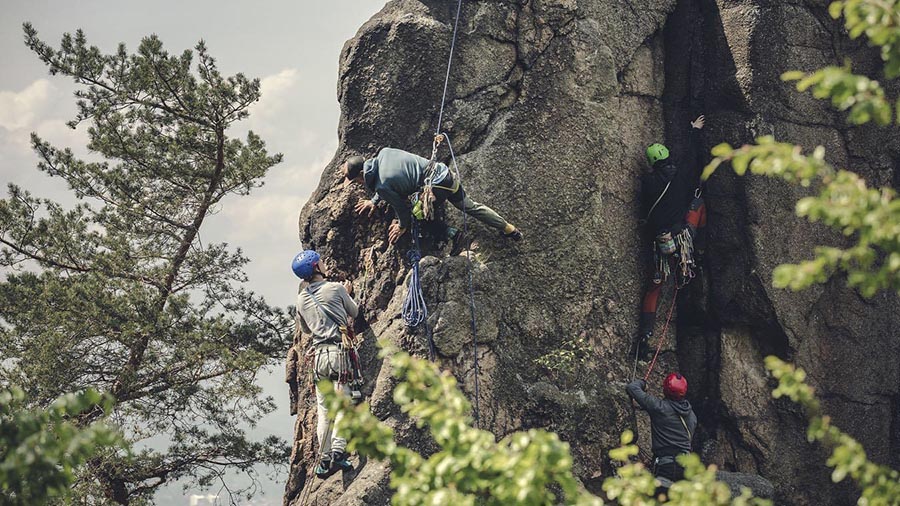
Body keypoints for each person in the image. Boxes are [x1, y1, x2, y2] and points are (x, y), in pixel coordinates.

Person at [635, 115, 708, 359]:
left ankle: (644, 339)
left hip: (660, 243)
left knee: (654, 289)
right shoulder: (680, 174)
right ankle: (699, 251)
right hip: (682, 236)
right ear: (667, 157)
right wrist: (694, 129)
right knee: (698, 202)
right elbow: (689, 155)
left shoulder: (647, 182)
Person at [343, 147, 523, 244]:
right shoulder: (385, 152)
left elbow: (401, 209)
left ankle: (453, 235)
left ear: (361, 176)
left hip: (434, 189)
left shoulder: (382, 187)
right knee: (470, 206)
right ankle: (509, 229)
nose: (358, 184)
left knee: (417, 216)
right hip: (444, 174)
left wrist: (402, 226)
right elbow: (389, 180)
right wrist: (374, 200)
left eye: (356, 181)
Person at [291, 249, 359, 478]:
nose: (324, 263)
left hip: (318, 357)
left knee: (323, 410)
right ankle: (339, 452)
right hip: (338, 354)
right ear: (315, 268)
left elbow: (307, 330)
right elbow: (355, 312)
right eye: (320, 262)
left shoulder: (301, 299)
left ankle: (325, 457)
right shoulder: (336, 288)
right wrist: (346, 294)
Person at [626, 373, 697, 483]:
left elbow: (632, 388)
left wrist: (643, 382)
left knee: (662, 498)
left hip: (666, 466)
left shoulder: (659, 408)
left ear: (665, 390)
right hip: (686, 466)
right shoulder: (692, 416)